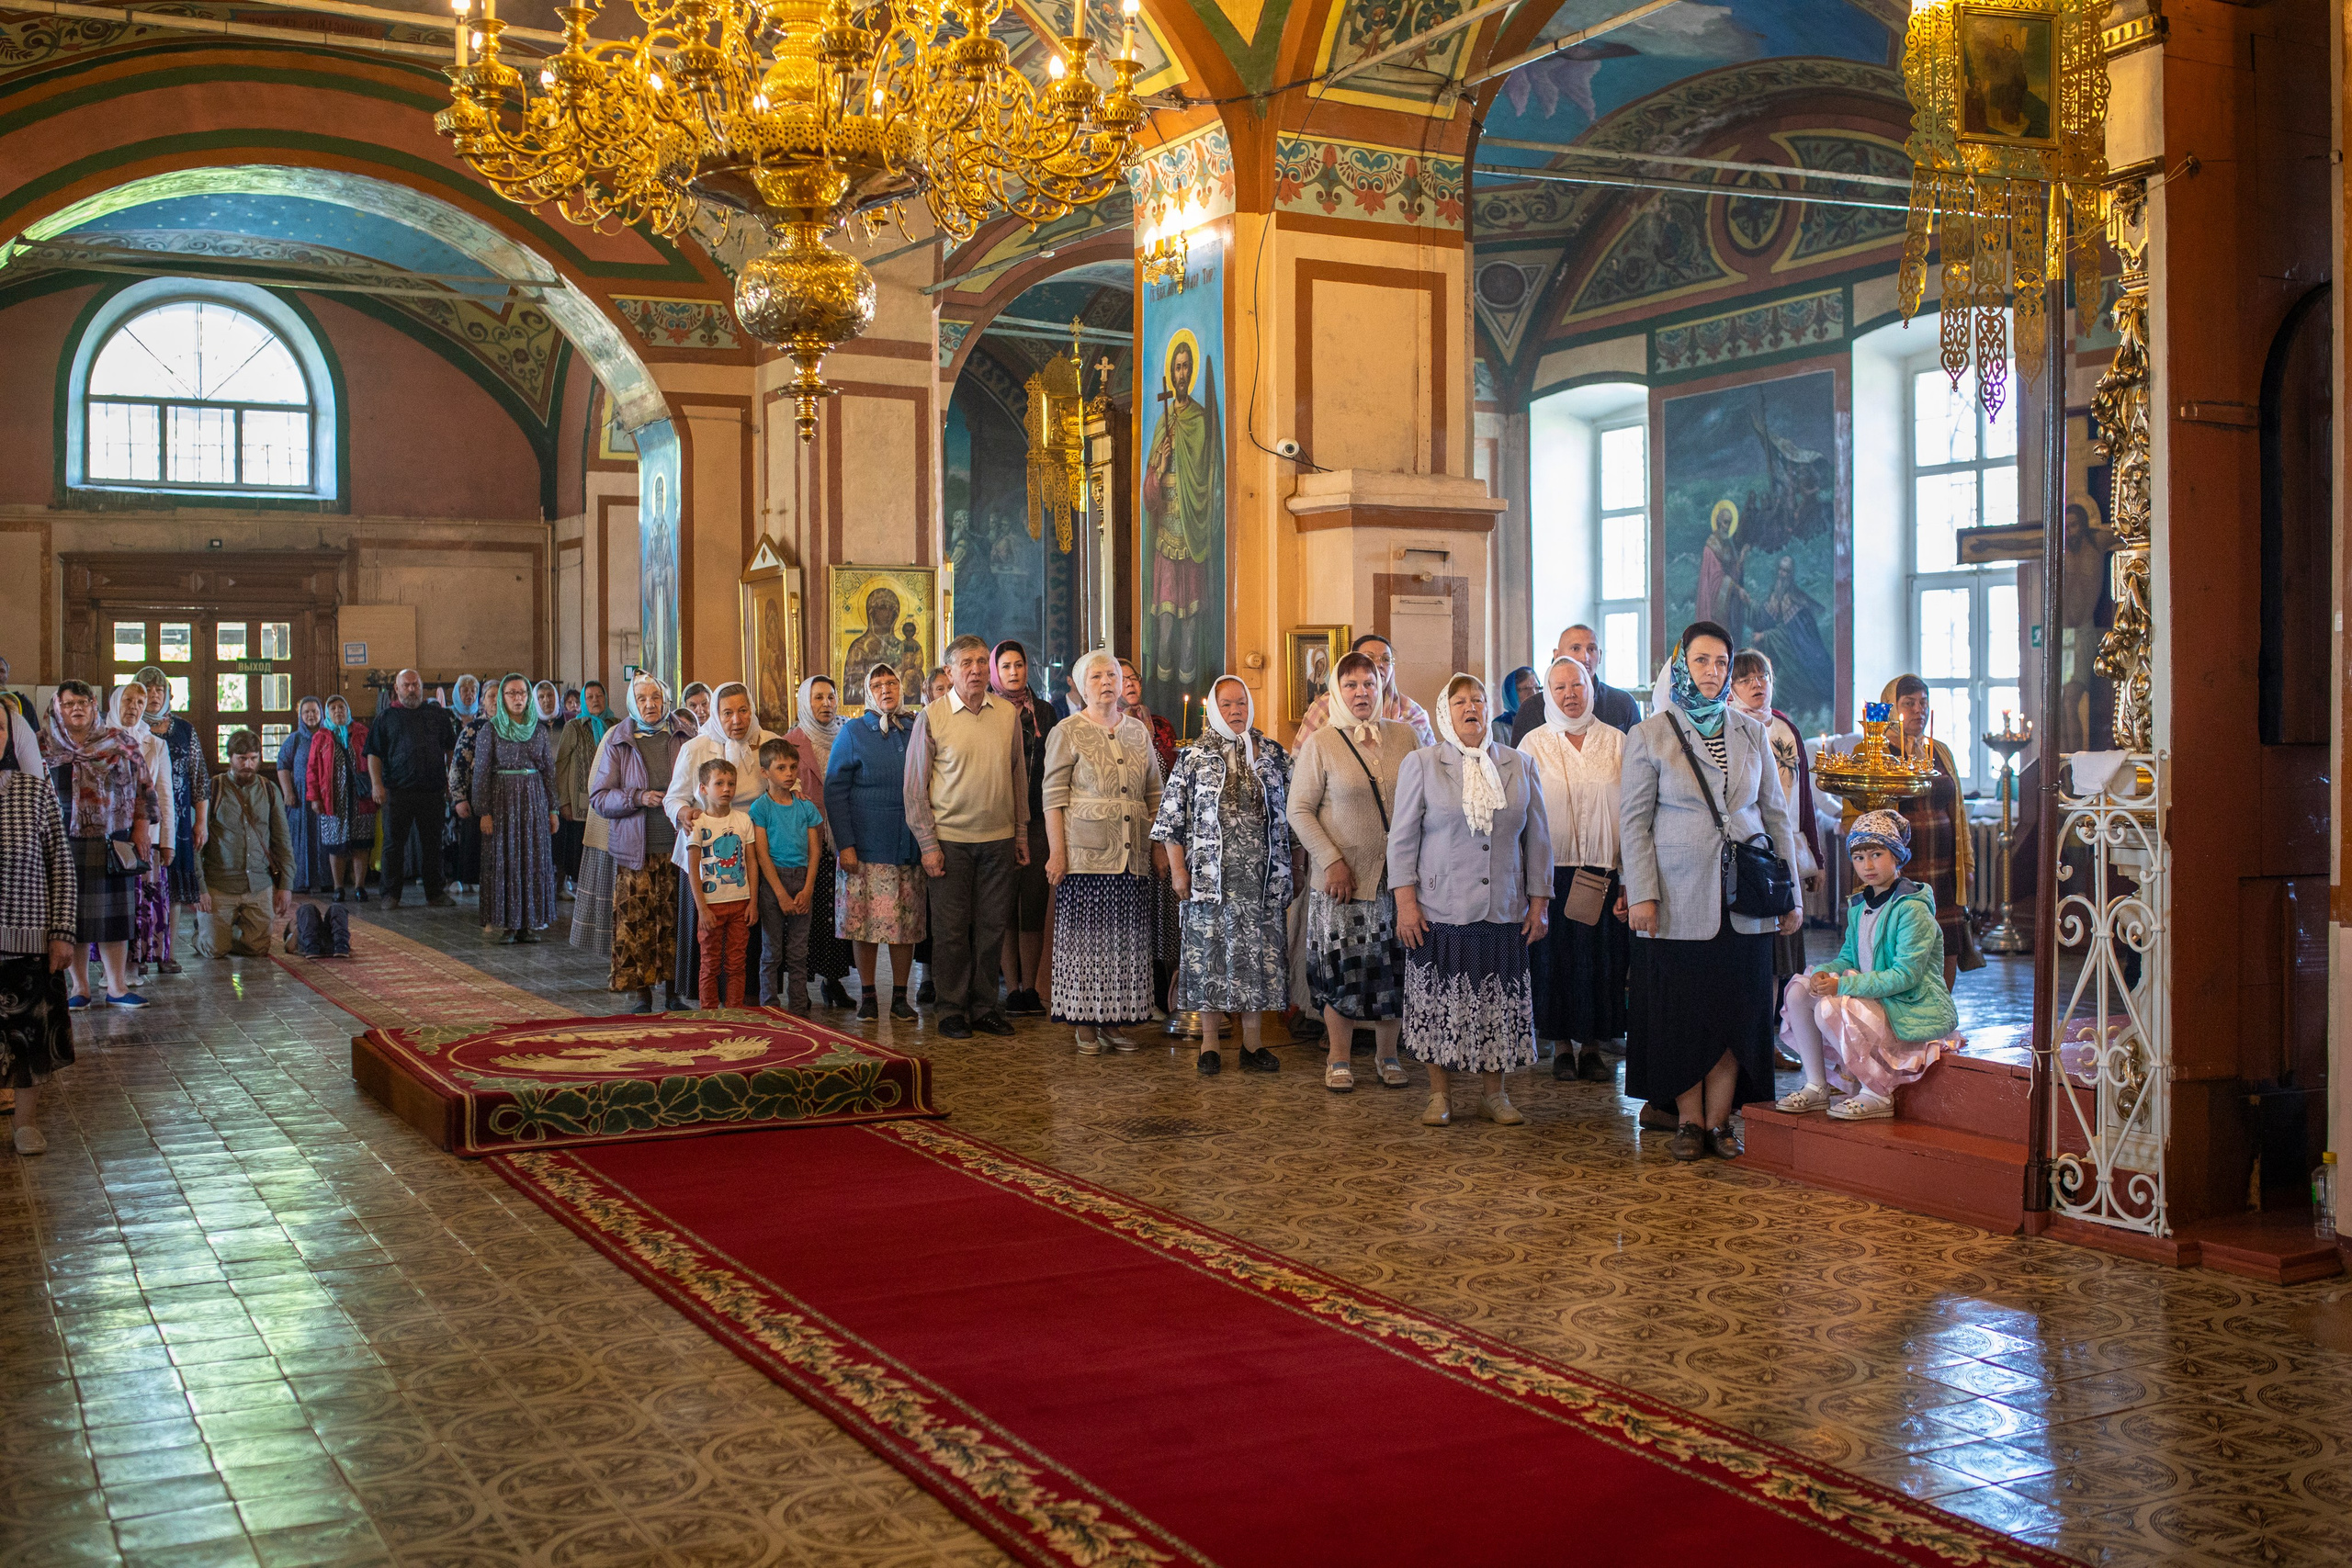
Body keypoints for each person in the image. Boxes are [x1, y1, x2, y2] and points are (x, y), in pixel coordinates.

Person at [1620, 624, 1803, 1162]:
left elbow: (1775, 816)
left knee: (1736, 1013)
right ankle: (1689, 1122)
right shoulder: (1651, 734)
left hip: (1745, 900)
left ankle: (1721, 1123)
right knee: (1684, 1014)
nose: (1712, 672)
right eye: (1701, 661)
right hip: (1677, 898)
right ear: (1682, 665)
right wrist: (1642, 894)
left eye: (1721, 662)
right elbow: (1634, 825)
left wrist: (1788, 893)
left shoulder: (1750, 732)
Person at [1389, 673, 1551, 1127]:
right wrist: (1406, 903)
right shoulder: (1422, 763)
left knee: (1496, 1006)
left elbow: (1538, 840)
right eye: (1459, 701)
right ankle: (1439, 1096)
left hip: (1503, 907)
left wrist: (1539, 901)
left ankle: (1493, 1095)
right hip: (1439, 908)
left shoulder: (1519, 764)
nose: (1470, 708)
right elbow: (1401, 841)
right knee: (1437, 1004)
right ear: (1446, 711)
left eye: (1478, 699)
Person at [1776, 810, 1962, 1122]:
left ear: (1897, 857)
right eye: (1859, 858)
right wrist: (1825, 973)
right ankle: (1817, 1086)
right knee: (1799, 990)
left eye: (1877, 854)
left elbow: (1906, 976)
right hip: (1878, 1000)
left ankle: (1876, 1091)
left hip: (1907, 1008)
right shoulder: (1860, 906)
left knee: (1830, 1007)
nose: (1868, 866)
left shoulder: (1911, 910)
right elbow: (1850, 958)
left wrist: (1841, 986)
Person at [1286, 650, 1414, 1092]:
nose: (1362, 693)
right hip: (1343, 882)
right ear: (1336, 693)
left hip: (1398, 879)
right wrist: (1331, 861)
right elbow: (1299, 810)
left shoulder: (1406, 737)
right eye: (1351, 685)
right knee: (1341, 970)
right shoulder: (1322, 742)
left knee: (1392, 967)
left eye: (1370, 684)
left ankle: (1388, 1056)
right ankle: (1338, 1059)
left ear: (1382, 688)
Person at [1152, 674, 1293, 1076]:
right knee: (1209, 958)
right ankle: (1209, 1045)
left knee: (1257, 960)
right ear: (1214, 709)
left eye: (1242, 704)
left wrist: (1294, 867)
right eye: (1227, 704)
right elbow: (1171, 822)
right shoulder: (1194, 756)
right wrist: (1179, 872)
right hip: (1210, 881)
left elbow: (1293, 816)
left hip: (1262, 880)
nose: (1236, 711)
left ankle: (1252, 1045)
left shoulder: (1271, 753)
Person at [901, 636, 1031, 1040]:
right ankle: (951, 1010)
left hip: (999, 838)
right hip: (950, 841)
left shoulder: (1006, 714)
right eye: (966, 663)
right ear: (950, 672)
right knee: (953, 931)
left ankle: (984, 1007)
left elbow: (1018, 777)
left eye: (980, 661)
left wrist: (1021, 833)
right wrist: (927, 844)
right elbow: (914, 786)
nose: (975, 669)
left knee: (992, 929)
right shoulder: (932, 717)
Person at [1043, 649, 1165, 1055]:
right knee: (1087, 944)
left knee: (1124, 944)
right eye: (1096, 677)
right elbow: (1054, 798)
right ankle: (1085, 1025)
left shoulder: (1137, 731)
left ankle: (1114, 1022)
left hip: (1132, 857)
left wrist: (1159, 848)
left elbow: (1154, 793)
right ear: (1079, 684)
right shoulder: (1067, 731)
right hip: (1085, 855)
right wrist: (1057, 853)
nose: (1107, 683)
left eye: (1112, 675)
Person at [1520, 657, 1630, 1085]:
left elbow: (1634, 813)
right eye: (1560, 686)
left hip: (1605, 872)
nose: (1569, 694)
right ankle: (1561, 1046)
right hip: (1551, 872)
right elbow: (1523, 813)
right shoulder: (1532, 743)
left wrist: (1628, 879)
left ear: (1591, 688)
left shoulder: (1619, 741)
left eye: (1577, 685)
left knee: (1602, 961)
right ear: (1548, 692)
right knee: (1554, 961)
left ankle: (1593, 1048)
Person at [1731, 649, 1826, 1058]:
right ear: (1731, 688)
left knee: (1779, 959)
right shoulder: (1728, 727)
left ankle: (1767, 1041)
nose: (1757, 684)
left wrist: (1815, 857)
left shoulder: (1785, 728)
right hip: (1746, 855)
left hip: (1783, 858)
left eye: (1763, 676)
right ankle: (1743, 1040)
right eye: (1746, 678)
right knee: (1748, 957)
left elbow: (1804, 797)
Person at [41, 681, 157, 1009]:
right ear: (57, 708)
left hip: (112, 840)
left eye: (82, 702)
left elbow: (143, 790)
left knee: (114, 918)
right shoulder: (43, 745)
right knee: (71, 917)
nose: (76, 708)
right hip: (60, 842)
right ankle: (79, 989)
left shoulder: (119, 743)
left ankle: (117, 988)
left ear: (95, 705)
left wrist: (141, 830)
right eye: (68, 704)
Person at [664, 683, 780, 1007]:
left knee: (749, 927)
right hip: (705, 846)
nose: (736, 720)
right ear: (716, 714)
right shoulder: (697, 747)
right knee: (708, 932)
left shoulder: (768, 742)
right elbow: (674, 797)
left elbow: (788, 784)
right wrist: (684, 811)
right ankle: (705, 1000)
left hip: (752, 842)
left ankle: (748, 998)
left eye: (743, 710)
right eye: (727, 713)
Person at [824, 663, 923, 1021]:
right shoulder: (853, 732)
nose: (886, 689)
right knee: (864, 924)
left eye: (892, 682)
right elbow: (834, 791)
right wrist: (845, 843)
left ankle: (900, 996)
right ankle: (868, 994)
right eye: (878, 683)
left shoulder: (915, 727)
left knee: (905, 926)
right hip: (863, 847)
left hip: (908, 844)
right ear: (868, 691)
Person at [1872, 674, 1983, 989]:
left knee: (1946, 941)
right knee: (1906, 942)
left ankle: (1942, 1014)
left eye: (1923, 703)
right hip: (1903, 866)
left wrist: (1967, 865)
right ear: (1892, 709)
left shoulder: (1941, 751)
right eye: (1909, 704)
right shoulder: (1876, 752)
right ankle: (1909, 1021)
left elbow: (1958, 812)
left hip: (1943, 866)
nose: (1919, 710)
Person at [590, 674, 687, 1014]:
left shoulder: (685, 735)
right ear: (633, 702)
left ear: (666, 700)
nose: (650, 704)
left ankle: (676, 993)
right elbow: (600, 798)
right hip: (636, 849)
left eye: (656, 698)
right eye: (643, 698)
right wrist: (638, 796)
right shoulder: (618, 740)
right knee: (638, 922)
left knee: (675, 920)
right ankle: (643, 995)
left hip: (679, 847)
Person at [1, 750, 76, 1153]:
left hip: (26, 940)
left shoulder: (33, 791)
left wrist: (62, 932)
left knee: (29, 1036)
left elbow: (61, 866)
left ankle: (25, 1123)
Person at [782, 676, 855, 1009]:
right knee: (807, 917)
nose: (826, 704)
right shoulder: (791, 742)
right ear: (804, 703)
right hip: (806, 842)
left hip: (842, 838)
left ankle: (834, 981)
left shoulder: (847, 736)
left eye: (830, 697)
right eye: (817, 698)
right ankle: (802, 988)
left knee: (838, 914)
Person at [470, 674, 560, 943]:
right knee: (505, 859)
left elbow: (549, 772)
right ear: (502, 698)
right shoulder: (491, 730)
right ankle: (507, 924)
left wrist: (553, 809)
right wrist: (484, 810)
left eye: (522, 693)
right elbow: (482, 773)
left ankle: (528, 924)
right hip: (502, 801)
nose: (518, 698)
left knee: (533, 859)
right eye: (511, 693)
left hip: (534, 802)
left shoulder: (539, 730)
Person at [685, 756, 776, 1009]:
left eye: (731, 784)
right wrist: (702, 908)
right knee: (710, 963)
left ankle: (735, 1013)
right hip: (711, 905)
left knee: (737, 963)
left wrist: (753, 902)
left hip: (740, 903)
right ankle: (709, 1013)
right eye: (719, 783)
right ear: (703, 788)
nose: (726, 789)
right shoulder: (697, 824)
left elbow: (752, 863)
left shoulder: (742, 820)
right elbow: (693, 870)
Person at [992, 641, 1052, 1017]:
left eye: (1020, 665)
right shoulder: (989, 709)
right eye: (1006, 666)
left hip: (1038, 820)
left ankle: (1029, 987)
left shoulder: (1044, 710)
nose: (1014, 672)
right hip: (997, 820)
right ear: (996, 672)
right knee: (1002, 907)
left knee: (1032, 905)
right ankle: (1010, 986)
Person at [135, 666, 208, 968]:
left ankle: (168, 953)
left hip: (176, 821)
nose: (154, 696)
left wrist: (200, 821)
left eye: (159, 691)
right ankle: (136, 954)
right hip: (140, 821)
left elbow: (199, 779)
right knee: (139, 888)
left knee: (174, 888)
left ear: (168, 695)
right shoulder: (131, 728)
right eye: (147, 691)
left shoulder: (184, 730)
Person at [365, 668, 456, 908]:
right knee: (393, 845)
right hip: (397, 791)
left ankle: (435, 893)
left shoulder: (437, 715)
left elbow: (450, 750)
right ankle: (390, 895)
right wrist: (377, 785)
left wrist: (450, 782)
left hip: (432, 790)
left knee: (433, 844)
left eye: (415, 684)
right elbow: (373, 754)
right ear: (397, 688)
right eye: (406, 685)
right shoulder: (385, 718)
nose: (412, 689)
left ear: (422, 686)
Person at [197, 730, 292, 959]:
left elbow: (282, 840)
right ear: (230, 758)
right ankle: (205, 932)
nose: (248, 764)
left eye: (253, 758)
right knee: (215, 949)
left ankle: (230, 930)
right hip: (220, 883)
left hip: (259, 884)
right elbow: (196, 844)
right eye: (242, 758)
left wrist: (286, 885)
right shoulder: (213, 789)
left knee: (258, 949)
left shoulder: (269, 790)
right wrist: (200, 889)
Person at [1121, 659, 1182, 1014]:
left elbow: (1167, 776)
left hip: (1161, 829)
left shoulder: (1159, 725)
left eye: (1134, 677)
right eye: (1121, 677)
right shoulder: (1106, 726)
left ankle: (1162, 995)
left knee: (1161, 917)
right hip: (1127, 833)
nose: (1130, 683)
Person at [747, 739, 824, 1011]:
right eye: (781, 768)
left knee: (798, 952)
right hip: (773, 883)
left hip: (802, 879)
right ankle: (770, 1005)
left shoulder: (806, 808)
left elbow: (816, 851)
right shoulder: (761, 809)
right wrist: (780, 893)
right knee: (772, 952)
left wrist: (808, 888)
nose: (790, 773)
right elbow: (762, 854)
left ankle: (800, 1008)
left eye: (793, 767)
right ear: (765, 772)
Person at [107, 685, 175, 981]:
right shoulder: (98, 741)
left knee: (142, 905)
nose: (133, 706)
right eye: (127, 700)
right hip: (108, 836)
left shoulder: (155, 744)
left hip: (146, 836)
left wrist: (167, 842)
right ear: (114, 703)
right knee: (109, 904)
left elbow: (164, 796)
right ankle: (110, 971)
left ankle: (133, 968)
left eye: (140, 702)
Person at [1294, 633, 1436, 747]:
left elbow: (1429, 765)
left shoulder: (1411, 712)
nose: (1379, 664)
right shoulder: (1325, 706)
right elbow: (1301, 761)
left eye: (1386, 659)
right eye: (1369, 657)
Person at [1510, 624, 1641, 744]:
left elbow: (1638, 759)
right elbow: (1520, 763)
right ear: (1557, 655)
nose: (1585, 658)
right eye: (1575, 648)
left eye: (1591, 649)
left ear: (1600, 655)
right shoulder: (1532, 708)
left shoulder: (1622, 703)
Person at [308, 694, 373, 903]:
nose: (338, 711)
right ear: (327, 713)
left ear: (348, 709)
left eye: (341, 707)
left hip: (361, 798)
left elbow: (374, 759)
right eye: (333, 708)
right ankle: (338, 888)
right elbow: (313, 770)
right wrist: (314, 798)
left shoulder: (363, 733)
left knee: (361, 844)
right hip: (332, 800)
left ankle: (360, 887)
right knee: (336, 845)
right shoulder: (321, 737)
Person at [554, 681, 615, 902]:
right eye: (590, 697)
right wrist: (563, 801)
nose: (595, 700)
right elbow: (560, 765)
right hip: (581, 803)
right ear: (583, 702)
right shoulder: (574, 727)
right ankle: (583, 889)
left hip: (610, 802)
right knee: (579, 850)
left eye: (599, 695)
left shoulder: (615, 726)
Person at [278, 697, 329, 896]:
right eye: (306, 712)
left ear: (321, 713)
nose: (311, 715)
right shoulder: (295, 740)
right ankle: (301, 881)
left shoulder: (329, 737)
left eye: (314, 711)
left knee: (325, 838)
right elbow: (282, 765)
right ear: (301, 715)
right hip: (300, 798)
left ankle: (326, 880)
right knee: (299, 839)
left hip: (325, 797)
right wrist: (288, 792)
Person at [447, 685, 492, 897]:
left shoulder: (516, 727)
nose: (495, 701)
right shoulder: (475, 727)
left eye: (498, 696)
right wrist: (459, 798)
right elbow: (458, 765)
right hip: (477, 797)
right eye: (490, 696)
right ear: (483, 701)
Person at [1490, 664, 1536, 748]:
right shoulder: (1501, 726)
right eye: (1527, 689)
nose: (1534, 693)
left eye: (1537, 688)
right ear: (1512, 694)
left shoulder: (1547, 720)